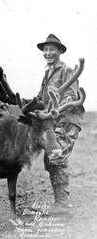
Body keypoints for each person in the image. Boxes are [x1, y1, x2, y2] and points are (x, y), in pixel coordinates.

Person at [37, 34, 85, 212]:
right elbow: (40, 99)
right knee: (51, 161)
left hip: (66, 120)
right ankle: (60, 203)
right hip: (53, 123)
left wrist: (57, 109)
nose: (48, 53)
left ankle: (63, 205)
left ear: (59, 52)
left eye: (52, 49)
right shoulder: (47, 74)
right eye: (45, 49)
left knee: (58, 158)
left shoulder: (66, 71)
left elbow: (72, 96)